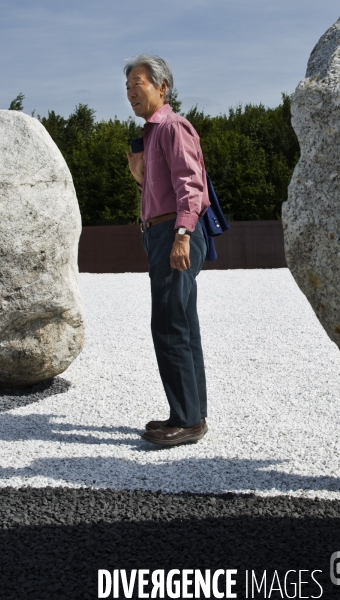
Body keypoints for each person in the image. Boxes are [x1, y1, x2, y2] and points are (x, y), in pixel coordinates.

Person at [125, 55, 211, 447]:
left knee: (170, 324)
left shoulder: (173, 128)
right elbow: (162, 188)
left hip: (174, 234)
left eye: (138, 84)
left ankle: (188, 420)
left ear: (162, 87)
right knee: (182, 324)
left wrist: (180, 235)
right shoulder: (152, 134)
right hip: (160, 234)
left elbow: (191, 187)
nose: (131, 93)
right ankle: (189, 413)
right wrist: (140, 175)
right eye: (127, 88)